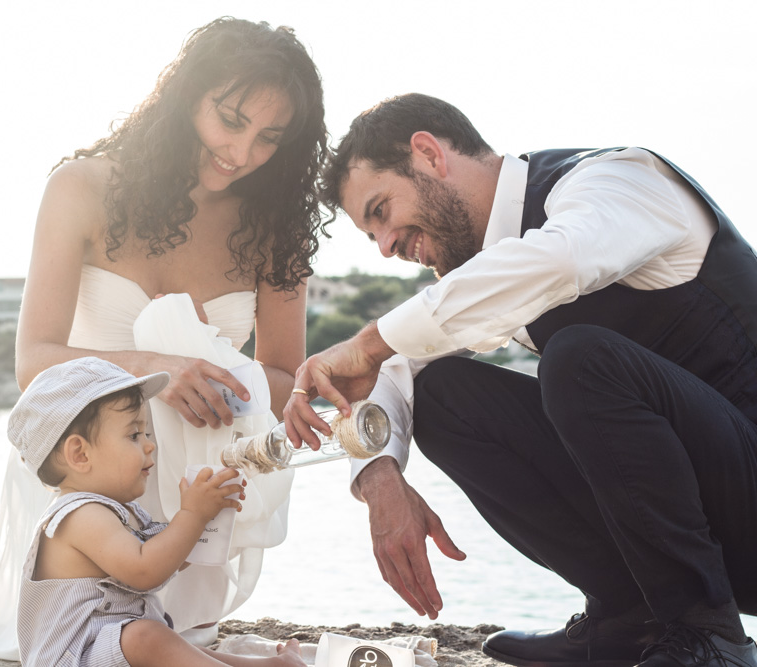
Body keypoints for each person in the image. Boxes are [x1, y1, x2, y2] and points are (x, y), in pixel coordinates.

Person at [283, 93, 757, 667]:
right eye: (371, 237)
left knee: (581, 360)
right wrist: (380, 482)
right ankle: (631, 618)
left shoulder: (620, 179)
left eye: (381, 211)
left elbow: (563, 261)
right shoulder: (489, 273)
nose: (386, 247)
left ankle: (710, 635)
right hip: (703, 527)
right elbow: (396, 372)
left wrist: (367, 340)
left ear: (429, 154)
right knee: (445, 396)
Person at [0, 17, 327, 660]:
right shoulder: (82, 188)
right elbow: (36, 363)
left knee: (171, 642)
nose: (242, 152)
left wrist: (213, 367)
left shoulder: (275, 228)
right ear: (187, 95)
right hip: (86, 483)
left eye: (270, 138)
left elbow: (282, 377)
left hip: (200, 487)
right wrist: (160, 364)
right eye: (230, 119)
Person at [6, 356, 304, 667]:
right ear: (80, 454)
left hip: (109, 651)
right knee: (147, 638)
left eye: (147, 433)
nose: (150, 445)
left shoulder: (121, 511)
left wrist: (207, 515)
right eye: (134, 435)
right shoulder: (79, 515)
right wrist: (192, 515)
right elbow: (145, 572)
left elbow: (169, 559)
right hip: (76, 658)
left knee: (172, 643)